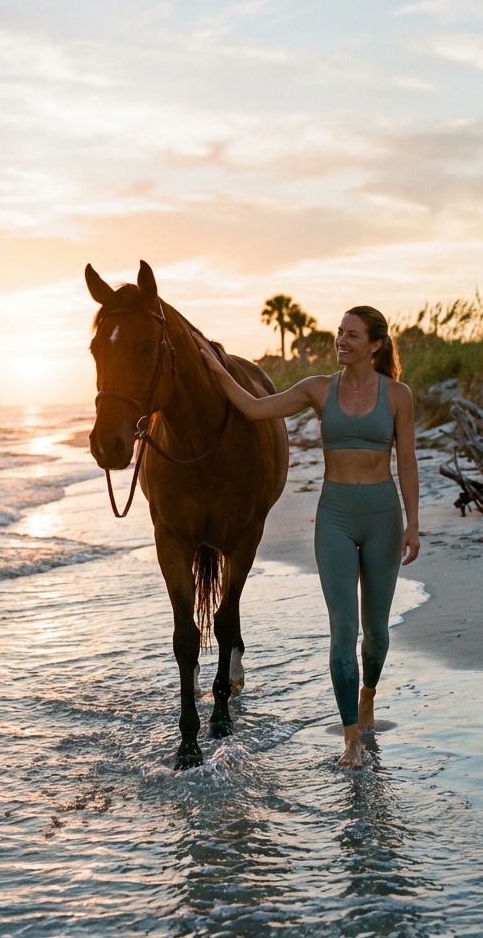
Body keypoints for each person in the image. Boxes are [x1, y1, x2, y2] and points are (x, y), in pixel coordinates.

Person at [194, 306, 420, 769]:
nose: (341, 340)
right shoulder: (319, 389)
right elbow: (256, 408)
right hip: (334, 516)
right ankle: (350, 738)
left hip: (382, 517)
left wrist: (413, 522)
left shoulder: (398, 395)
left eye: (352, 335)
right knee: (343, 632)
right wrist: (217, 367)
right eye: (340, 332)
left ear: (375, 345)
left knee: (375, 633)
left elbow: (410, 462)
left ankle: (368, 696)